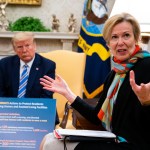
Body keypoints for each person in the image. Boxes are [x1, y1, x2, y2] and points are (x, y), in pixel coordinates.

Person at [40, 12, 150, 150]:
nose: (120, 42)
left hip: (136, 145)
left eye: (126, 35)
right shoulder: (114, 74)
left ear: (137, 38)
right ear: (108, 43)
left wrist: (146, 102)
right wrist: (68, 93)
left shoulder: (147, 65)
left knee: (52, 144)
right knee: (48, 138)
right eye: (114, 37)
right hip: (114, 140)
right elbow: (96, 117)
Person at [0, 31, 59, 125]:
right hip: (10, 114)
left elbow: (46, 96)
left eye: (27, 45)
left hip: (39, 115)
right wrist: (12, 114)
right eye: (20, 47)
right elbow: (1, 93)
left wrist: (27, 116)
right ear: (14, 49)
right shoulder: (4, 64)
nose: (24, 50)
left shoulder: (47, 65)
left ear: (34, 46)